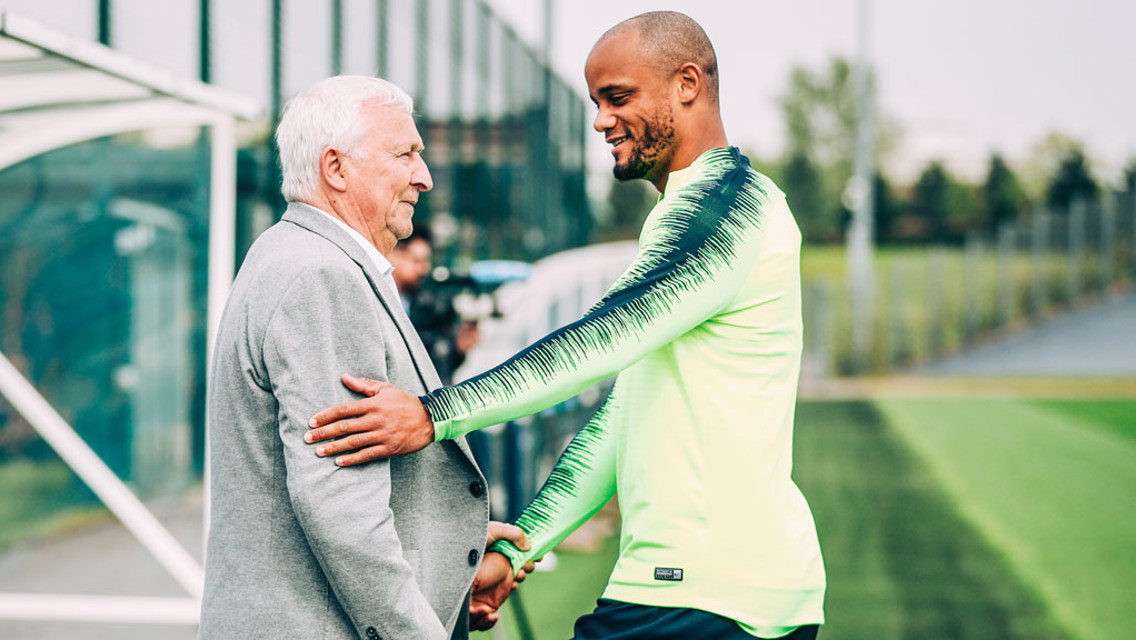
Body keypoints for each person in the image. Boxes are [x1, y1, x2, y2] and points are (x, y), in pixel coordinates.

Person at [307, 11, 825, 639]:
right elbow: (621, 418)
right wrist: (516, 550)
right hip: (727, 595)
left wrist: (430, 415)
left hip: (704, 593)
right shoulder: (696, 210)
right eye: (596, 102)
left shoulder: (726, 206)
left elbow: (603, 338)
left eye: (618, 97)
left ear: (687, 84)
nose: (602, 120)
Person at [199, 75, 529, 640]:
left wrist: (449, 552)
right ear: (336, 168)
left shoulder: (289, 253)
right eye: (405, 154)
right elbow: (342, 506)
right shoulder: (322, 275)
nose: (424, 177)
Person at [389, 224, 480, 384]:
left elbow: (436, 368)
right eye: (416, 261)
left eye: (426, 262)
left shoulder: (426, 302)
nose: (424, 269)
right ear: (393, 255)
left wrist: (458, 348)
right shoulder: (387, 301)